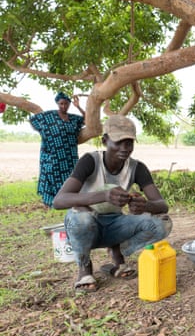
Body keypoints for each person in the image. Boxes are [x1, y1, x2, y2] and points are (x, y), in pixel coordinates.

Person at [53, 115, 172, 293]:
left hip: (114, 225)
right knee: (83, 219)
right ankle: (85, 267)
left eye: (129, 142)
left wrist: (144, 205)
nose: (124, 148)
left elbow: (161, 205)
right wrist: (103, 195)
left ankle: (117, 252)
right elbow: (59, 201)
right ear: (105, 140)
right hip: (85, 224)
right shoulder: (90, 161)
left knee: (162, 223)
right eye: (118, 142)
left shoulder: (136, 167)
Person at [30, 92, 86, 207]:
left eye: (66, 104)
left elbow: (87, 119)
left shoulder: (73, 118)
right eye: (61, 104)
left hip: (70, 156)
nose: (64, 106)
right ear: (57, 103)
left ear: (69, 104)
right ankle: (55, 201)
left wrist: (78, 106)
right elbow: (33, 120)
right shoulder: (49, 116)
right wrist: (44, 133)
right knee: (53, 177)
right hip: (55, 156)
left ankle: (70, 201)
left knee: (72, 178)